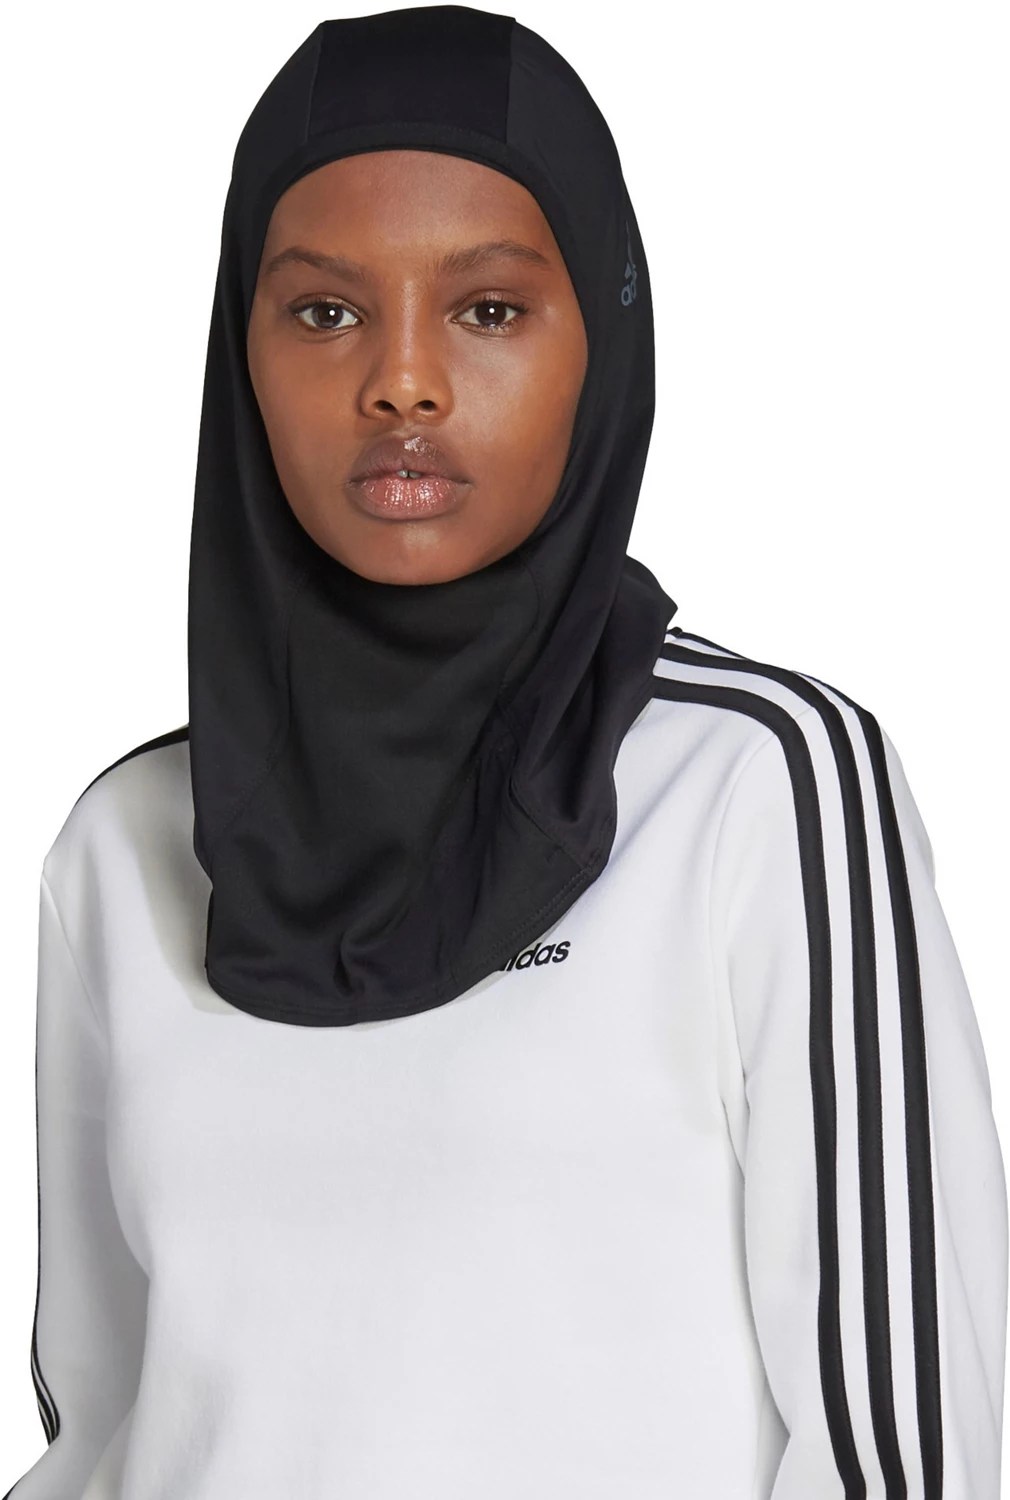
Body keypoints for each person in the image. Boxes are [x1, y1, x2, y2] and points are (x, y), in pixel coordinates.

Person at [3, 6, 1006, 1498]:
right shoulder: (129, 838)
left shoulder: (757, 788)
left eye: (485, 309)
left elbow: (903, 1450)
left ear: (600, 337)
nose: (400, 383)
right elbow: (100, 1430)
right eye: (323, 312)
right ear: (239, 352)